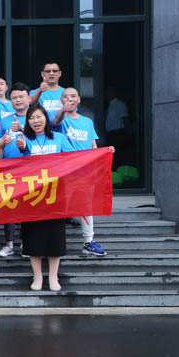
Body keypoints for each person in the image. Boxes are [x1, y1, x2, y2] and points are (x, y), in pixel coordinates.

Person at [16, 105, 72, 291]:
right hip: (32, 195)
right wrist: (20, 147)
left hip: (55, 195)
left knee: (55, 236)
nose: (36, 121)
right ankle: (38, 276)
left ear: (46, 119)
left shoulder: (59, 138)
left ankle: (53, 276)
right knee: (33, 236)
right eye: (32, 118)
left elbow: (75, 158)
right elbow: (16, 163)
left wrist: (102, 152)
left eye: (39, 117)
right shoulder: (25, 139)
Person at [53, 86, 107, 256]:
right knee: (60, 205)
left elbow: (92, 145)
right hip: (64, 171)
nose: (69, 99)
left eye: (73, 96)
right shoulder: (59, 118)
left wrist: (98, 160)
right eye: (65, 96)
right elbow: (55, 121)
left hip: (84, 171)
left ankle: (89, 242)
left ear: (79, 100)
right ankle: (53, 244)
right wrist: (63, 110)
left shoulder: (87, 121)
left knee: (85, 206)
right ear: (61, 100)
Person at [0, 83, 31, 258]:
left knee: (27, 206)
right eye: (14, 97)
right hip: (8, 169)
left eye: (21, 97)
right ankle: (9, 244)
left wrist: (23, 129)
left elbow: (43, 135)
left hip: (30, 169)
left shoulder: (36, 117)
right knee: (8, 205)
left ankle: (26, 243)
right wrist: (3, 142)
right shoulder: (5, 120)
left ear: (29, 98)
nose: (18, 100)